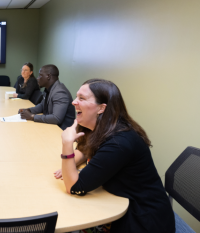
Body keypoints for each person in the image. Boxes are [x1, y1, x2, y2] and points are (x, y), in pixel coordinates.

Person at [57, 79, 175, 233]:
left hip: (143, 218)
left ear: (101, 108)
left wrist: (67, 145)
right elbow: (85, 150)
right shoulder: (102, 126)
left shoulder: (119, 142)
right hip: (122, 204)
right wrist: (71, 164)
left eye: (81, 98)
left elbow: (74, 187)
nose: (73, 102)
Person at [18, 64, 75, 130]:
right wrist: (28, 110)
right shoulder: (48, 89)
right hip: (52, 125)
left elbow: (56, 118)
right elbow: (42, 106)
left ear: (48, 76)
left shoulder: (60, 92)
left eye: (40, 75)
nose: (38, 78)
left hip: (61, 130)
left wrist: (32, 116)